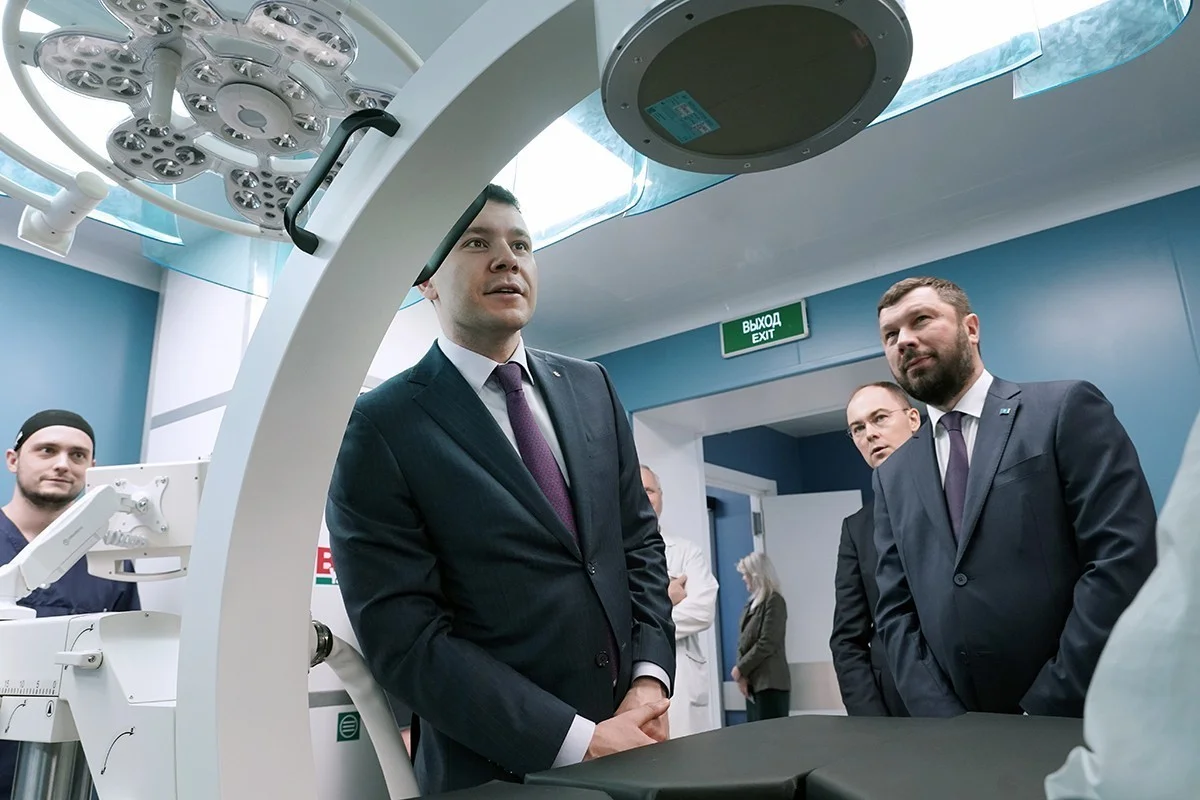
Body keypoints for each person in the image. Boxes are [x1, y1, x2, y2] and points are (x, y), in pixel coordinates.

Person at [325, 185, 676, 794]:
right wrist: (578, 740)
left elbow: (637, 544)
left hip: (634, 741)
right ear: (426, 279)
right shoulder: (380, 426)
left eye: (521, 244)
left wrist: (649, 681)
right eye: (475, 243)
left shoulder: (592, 387)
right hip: (494, 769)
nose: (507, 259)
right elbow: (404, 636)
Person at [872, 276, 1157, 718]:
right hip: (959, 733)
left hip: (1076, 711)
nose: (904, 340)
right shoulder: (892, 474)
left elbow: (1121, 557)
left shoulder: (1062, 409)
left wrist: (1046, 704)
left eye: (921, 320)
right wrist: (942, 718)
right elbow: (895, 609)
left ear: (970, 328)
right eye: (890, 335)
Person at [0, 410, 139, 798]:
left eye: (78, 455)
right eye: (47, 450)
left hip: (65, 768)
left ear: (92, 468)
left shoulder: (108, 561)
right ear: (13, 459)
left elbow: (126, 659)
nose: (63, 464)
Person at [830, 381, 917, 716]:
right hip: (893, 711)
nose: (869, 434)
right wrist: (871, 723)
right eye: (857, 428)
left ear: (913, 419)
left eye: (880, 418)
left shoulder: (961, 498)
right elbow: (847, 639)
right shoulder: (857, 528)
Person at [639, 465, 719, 738]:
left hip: (683, 680)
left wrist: (643, 617)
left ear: (661, 496)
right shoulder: (608, 554)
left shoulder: (687, 552)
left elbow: (703, 611)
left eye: (649, 490)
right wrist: (666, 598)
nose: (644, 497)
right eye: (636, 490)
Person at [733, 552, 790, 721]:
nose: (744, 578)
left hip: (770, 685)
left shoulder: (774, 601)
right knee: (756, 735)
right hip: (753, 685)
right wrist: (742, 675)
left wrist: (741, 668)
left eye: (746, 574)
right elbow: (743, 642)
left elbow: (768, 642)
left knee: (772, 735)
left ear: (756, 574)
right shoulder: (751, 605)